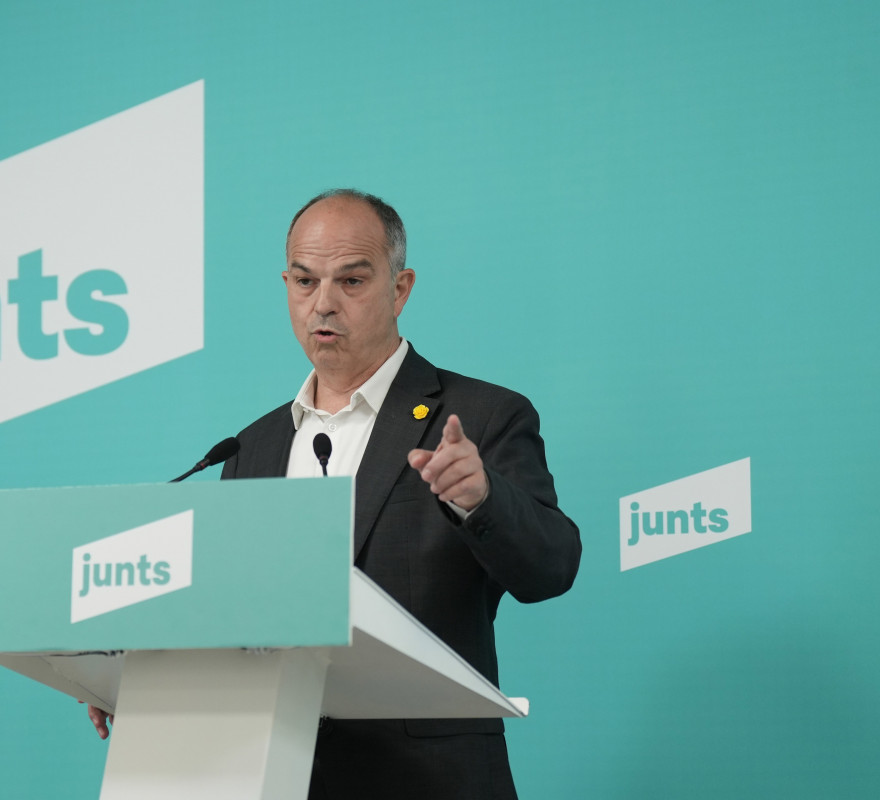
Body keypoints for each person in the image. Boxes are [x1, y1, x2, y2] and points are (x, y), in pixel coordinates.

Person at [87, 189, 581, 799]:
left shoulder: (481, 416)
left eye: (351, 281)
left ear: (400, 289)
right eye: (305, 281)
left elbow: (551, 568)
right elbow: (232, 611)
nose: (323, 303)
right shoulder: (251, 448)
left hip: (429, 781)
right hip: (276, 774)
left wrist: (481, 499)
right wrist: (137, 678)